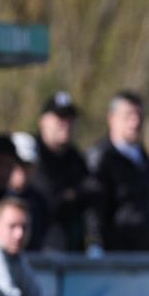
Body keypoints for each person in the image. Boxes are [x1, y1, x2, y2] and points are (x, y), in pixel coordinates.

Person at [84, 91, 149, 252]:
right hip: (117, 253)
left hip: (147, 250)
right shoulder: (101, 158)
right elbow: (93, 208)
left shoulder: (145, 157)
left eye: (139, 115)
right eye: (128, 116)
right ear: (112, 119)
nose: (135, 122)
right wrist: (95, 243)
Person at [29, 91, 91, 251]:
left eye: (70, 118)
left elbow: (92, 194)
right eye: (59, 117)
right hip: (38, 251)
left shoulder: (76, 158)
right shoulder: (30, 154)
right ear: (43, 121)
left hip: (73, 252)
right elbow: (49, 200)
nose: (66, 123)